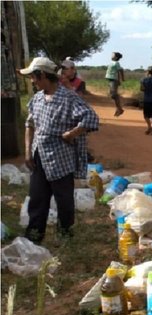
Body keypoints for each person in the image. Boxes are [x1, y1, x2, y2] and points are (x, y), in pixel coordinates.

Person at [19, 56, 99, 244]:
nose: (32, 81)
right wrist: (28, 152)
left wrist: (71, 134)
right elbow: (29, 125)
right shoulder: (37, 99)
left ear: (43, 75)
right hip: (40, 155)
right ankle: (34, 235)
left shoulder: (68, 98)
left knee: (64, 200)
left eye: (33, 77)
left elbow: (91, 119)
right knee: (38, 197)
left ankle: (65, 234)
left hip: (60, 158)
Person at [105, 51, 125, 116]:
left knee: (113, 95)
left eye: (112, 55)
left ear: (116, 57)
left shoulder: (116, 63)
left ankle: (119, 109)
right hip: (111, 80)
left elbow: (120, 70)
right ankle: (119, 109)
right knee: (113, 95)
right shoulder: (112, 63)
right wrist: (119, 79)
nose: (111, 56)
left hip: (113, 80)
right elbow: (117, 72)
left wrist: (122, 78)